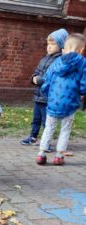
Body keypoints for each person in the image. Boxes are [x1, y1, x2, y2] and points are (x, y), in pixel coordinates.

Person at [36, 33, 86, 165]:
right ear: (81, 50)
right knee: (65, 129)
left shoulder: (56, 62)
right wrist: (81, 93)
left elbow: (47, 79)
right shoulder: (83, 63)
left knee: (49, 127)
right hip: (70, 102)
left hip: (53, 101)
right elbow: (84, 82)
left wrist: (47, 93)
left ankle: (41, 154)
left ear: (64, 48)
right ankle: (59, 156)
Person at [21, 28, 69, 147]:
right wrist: (33, 78)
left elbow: (57, 79)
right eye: (48, 43)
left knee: (46, 121)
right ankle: (33, 137)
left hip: (49, 97)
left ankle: (46, 141)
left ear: (61, 45)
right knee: (36, 119)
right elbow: (37, 71)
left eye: (53, 44)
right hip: (38, 95)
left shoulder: (61, 61)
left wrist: (41, 81)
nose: (49, 46)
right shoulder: (44, 59)